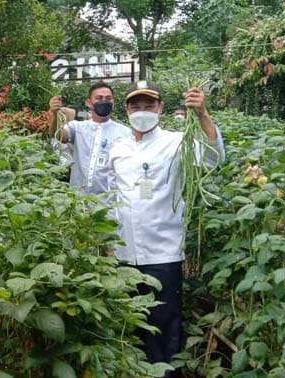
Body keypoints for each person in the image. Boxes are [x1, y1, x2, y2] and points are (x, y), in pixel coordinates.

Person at [107, 80, 225, 375]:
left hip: (163, 252)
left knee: (164, 322)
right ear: (126, 110)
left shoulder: (176, 141)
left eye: (149, 105)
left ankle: (167, 373)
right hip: (125, 253)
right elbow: (112, 193)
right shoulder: (119, 147)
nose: (142, 111)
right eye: (136, 105)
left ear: (160, 107)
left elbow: (213, 157)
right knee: (131, 322)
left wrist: (202, 114)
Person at [47, 81, 132, 199]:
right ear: (88, 102)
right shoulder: (77, 127)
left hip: (108, 203)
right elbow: (58, 134)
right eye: (99, 98)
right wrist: (54, 113)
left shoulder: (125, 133)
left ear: (113, 102)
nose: (104, 101)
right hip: (77, 201)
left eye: (108, 98)